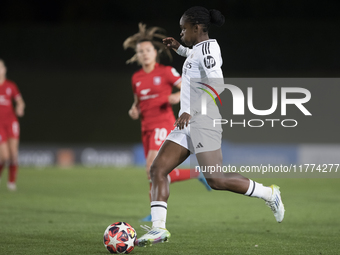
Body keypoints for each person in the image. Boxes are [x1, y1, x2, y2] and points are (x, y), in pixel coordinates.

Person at [136, 6, 285, 246]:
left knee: (216, 179)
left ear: (196, 28)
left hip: (203, 119)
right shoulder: (197, 50)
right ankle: (158, 229)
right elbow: (196, 62)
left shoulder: (208, 48)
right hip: (186, 122)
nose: (181, 32)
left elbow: (218, 84)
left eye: (184, 29)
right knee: (158, 170)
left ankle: (269, 193)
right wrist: (180, 48)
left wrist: (190, 110)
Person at [123, 23, 211, 221]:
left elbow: (186, 87)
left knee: (151, 167)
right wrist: (133, 109)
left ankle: (156, 215)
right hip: (146, 128)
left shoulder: (166, 72)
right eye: (140, 52)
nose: (144, 54)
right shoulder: (136, 78)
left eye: (147, 50)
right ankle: (195, 175)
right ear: (137, 55)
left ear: (155, 52)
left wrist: (177, 97)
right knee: (153, 172)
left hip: (163, 125)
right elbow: (137, 102)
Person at [0, 59, 25, 191]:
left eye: (1, 67)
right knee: (4, 156)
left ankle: (11, 183)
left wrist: (20, 107)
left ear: (4, 69)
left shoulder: (11, 86)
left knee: (14, 154)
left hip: (11, 122)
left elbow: (20, 101)